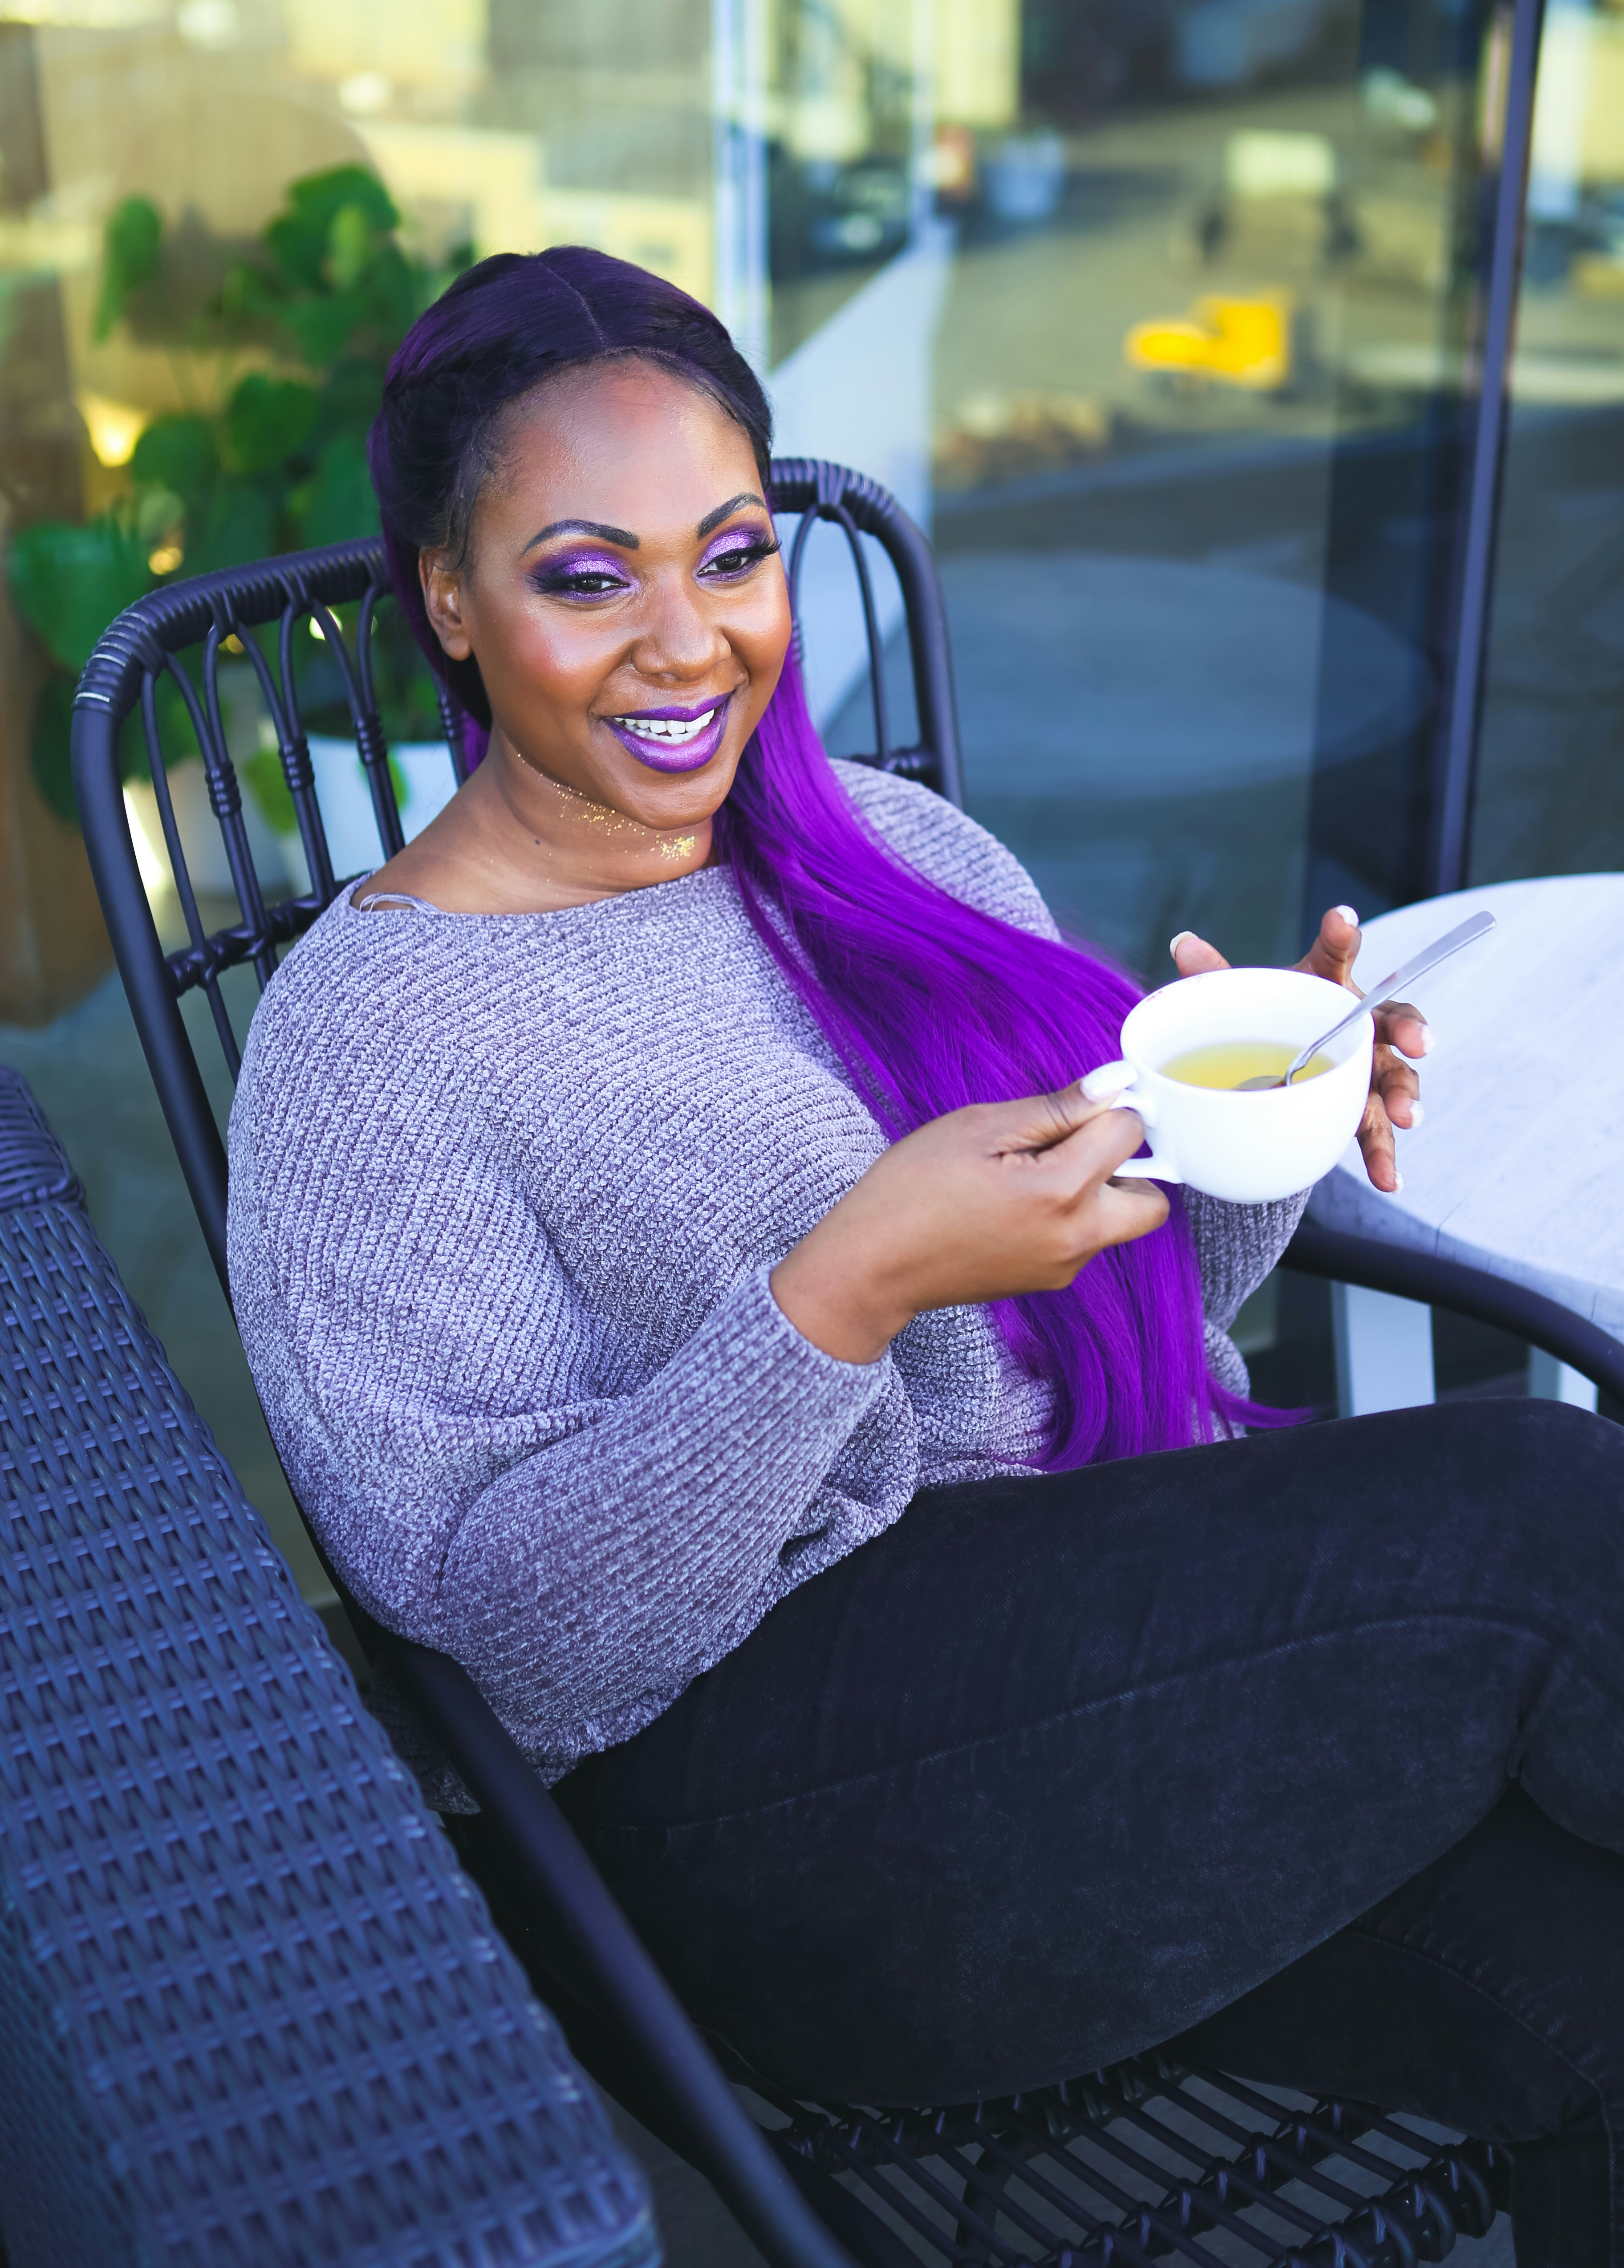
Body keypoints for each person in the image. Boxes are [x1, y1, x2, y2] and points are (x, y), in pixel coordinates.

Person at [227, 247, 1624, 2267]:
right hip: (764, 1809)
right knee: (1541, 1508)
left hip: (1090, 1672)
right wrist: (838, 1292)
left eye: (729, 552)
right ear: (448, 598)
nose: (688, 640)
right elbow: (508, 1643)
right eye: (586, 575)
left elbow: (1077, 1335)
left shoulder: (896, 857)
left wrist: (1266, 1140)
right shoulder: (374, 1045)